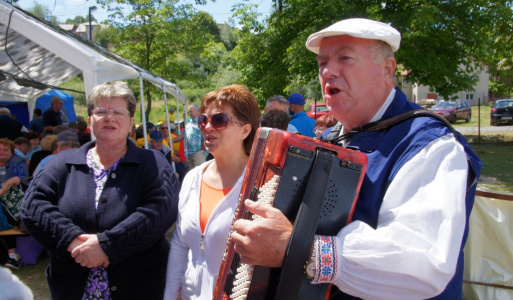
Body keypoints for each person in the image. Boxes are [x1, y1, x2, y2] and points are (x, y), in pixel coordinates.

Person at [230, 18, 481, 299]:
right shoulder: (330, 140)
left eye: (345, 58)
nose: (327, 70)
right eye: (322, 62)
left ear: (387, 70)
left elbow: (424, 263)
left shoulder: (430, 145)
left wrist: (297, 248)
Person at [21, 80, 180, 300]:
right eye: (101, 111)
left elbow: (161, 209)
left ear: (131, 121)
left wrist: (108, 246)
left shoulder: (152, 163)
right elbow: (32, 208)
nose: (109, 117)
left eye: (118, 112)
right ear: (90, 120)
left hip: (138, 289)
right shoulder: (61, 163)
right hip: (72, 289)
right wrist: (72, 240)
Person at [164, 84, 261, 299]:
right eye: (203, 120)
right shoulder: (192, 178)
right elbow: (180, 244)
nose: (208, 126)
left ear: (245, 130)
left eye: (219, 120)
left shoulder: (261, 184)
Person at [0, 138, 27, 270]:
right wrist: (7, 183)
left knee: (7, 220)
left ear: (12, 152)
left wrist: (7, 185)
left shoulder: (17, 161)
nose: (2, 152)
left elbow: (21, 181)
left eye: (5, 150)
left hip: (13, 203)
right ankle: (12, 256)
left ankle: (12, 256)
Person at [185, 104, 206, 169]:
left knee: (199, 173)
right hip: (189, 154)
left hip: (198, 153)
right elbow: (183, 135)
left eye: (190, 111)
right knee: (193, 175)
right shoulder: (189, 123)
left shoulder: (201, 122)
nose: (189, 113)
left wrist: (202, 151)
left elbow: (206, 136)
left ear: (197, 111)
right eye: (189, 112)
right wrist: (172, 140)